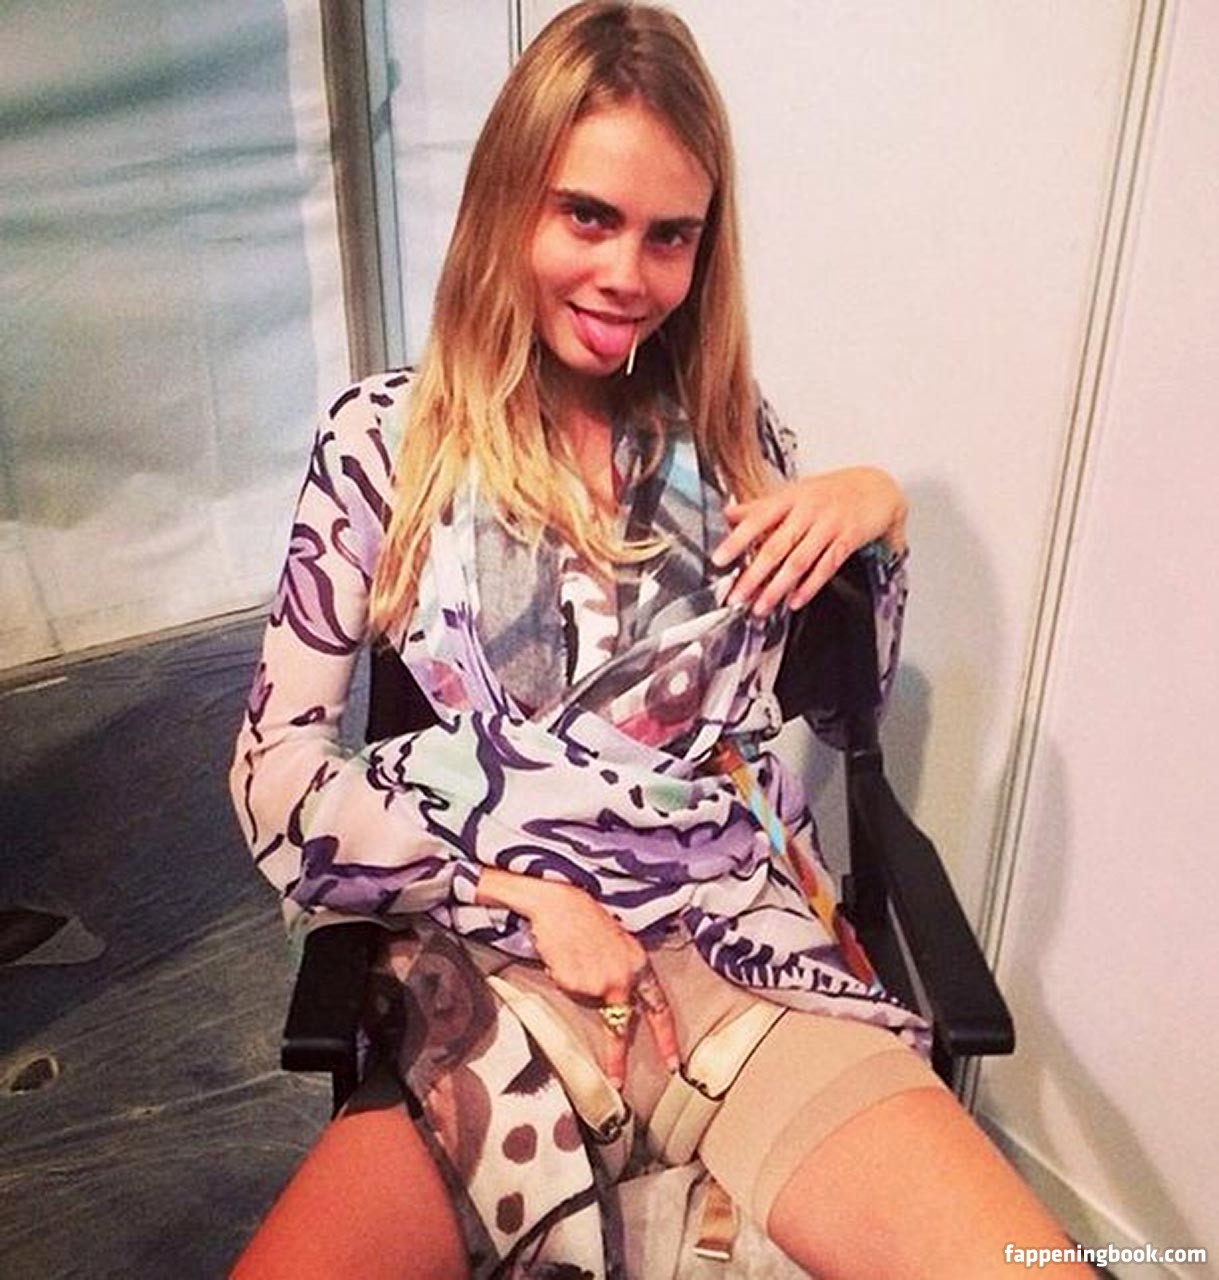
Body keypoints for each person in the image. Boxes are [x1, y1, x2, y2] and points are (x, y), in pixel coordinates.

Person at [230, 4, 1092, 1277]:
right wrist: (511, 891)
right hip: (501, 980)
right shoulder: (386, 445)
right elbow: (275, 776)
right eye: (586, 215)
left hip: (741, 956)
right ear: (507, 201)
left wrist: (877, 516)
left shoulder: (735, 439)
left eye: (668, 234)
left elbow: (833, 704)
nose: (626, 273)